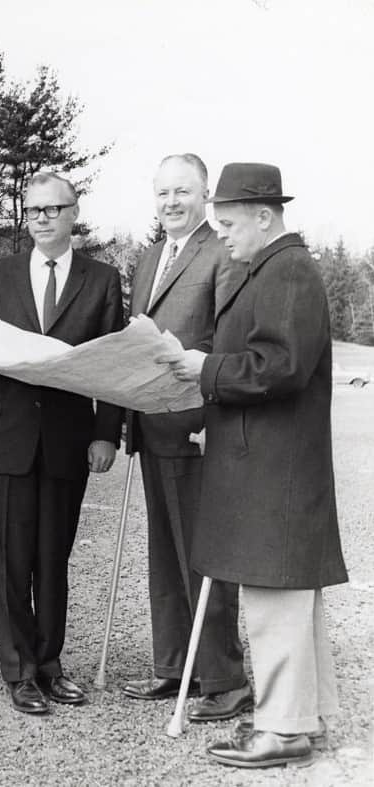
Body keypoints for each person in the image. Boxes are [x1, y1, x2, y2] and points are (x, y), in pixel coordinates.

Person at [162, 162, 348, 768]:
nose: (223, 235)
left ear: (264, 217)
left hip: (274, 471)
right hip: (270, 463)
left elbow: (281, 365)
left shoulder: (286, 270)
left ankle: (284, 731)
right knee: (285, 595)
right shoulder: (272, 267)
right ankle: (301, 719)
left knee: (275, 597)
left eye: (230, 223)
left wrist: (206, 370)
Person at [0, 172, 123, 714]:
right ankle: (19, 671)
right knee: (9, 560)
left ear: (73, 213)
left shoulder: (101, 280)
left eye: (53, 209)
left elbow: (114, 362)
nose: (41, 218)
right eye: (33, 209)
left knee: (53, 558)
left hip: (67, 439)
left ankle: (50, 663)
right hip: (6, 437)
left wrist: (106, 433)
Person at [122, 154, 251, 721]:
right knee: (164, 554)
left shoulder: (222, 252)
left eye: (182, 191)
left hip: (196, 427)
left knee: (205, 556)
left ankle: (224, 679)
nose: (171, 202)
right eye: (163, 193)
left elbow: (228, 342)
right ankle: (175, 665)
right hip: (153, 425)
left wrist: (213, 419)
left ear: (205, 196)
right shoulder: (151, 258)